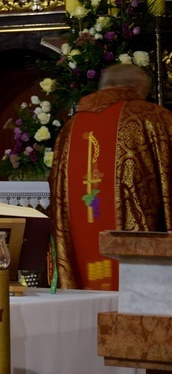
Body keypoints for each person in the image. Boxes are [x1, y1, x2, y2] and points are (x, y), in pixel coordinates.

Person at [50, 64, 172, 290]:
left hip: (81, 236)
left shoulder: (69, 129)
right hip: (144, 276)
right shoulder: (154, 117)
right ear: (139, 87)